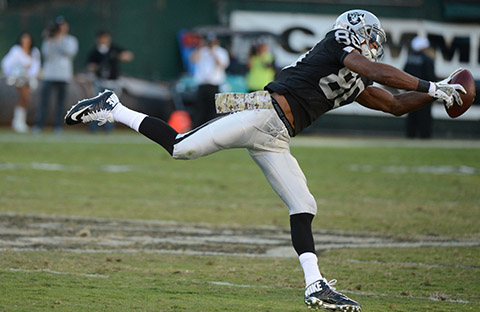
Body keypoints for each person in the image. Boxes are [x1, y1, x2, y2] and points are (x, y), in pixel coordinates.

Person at [65, 9, 465, 312]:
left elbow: (394, 105)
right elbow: (373, 69)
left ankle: (315, 286)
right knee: (181, 147)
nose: (373, 44)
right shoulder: (339, 50)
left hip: (277, 137)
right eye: (370, 37)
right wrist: (433, 84)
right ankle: (113, 106)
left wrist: (437, 96)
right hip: (262, 110)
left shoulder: (356, 76)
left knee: (303, 205)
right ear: (356, 32)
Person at [34, 16, 78, 134]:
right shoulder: (49, 39)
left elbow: (70, 53)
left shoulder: (70, 40)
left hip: (63, 76)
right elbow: (46, 54)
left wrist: (59, 39)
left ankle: (58, 126)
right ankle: (39, 125)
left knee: (61, 103)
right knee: (44, 102)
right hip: (49, 75)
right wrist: (50, 38)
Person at [86, 30, 134, 132]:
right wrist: (96, 67)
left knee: (112, 107)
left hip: (113, 82)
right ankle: (94, 128)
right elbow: (89, 66)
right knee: (97, 105)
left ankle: (108, 129)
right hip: (100, 81)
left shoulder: (114, 49)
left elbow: (129, 56)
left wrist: (119, 56)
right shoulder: (95, 52)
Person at [1, 32, 41, 133]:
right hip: (18, 79)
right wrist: (15, 72)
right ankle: (18, 123)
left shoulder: (34, 51)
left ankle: (19, 122)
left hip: (29, 80)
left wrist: (30, 74)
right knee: (24, 97)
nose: (26, 41)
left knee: (26, 100)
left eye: (27, 39)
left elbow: (36, 66)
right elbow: (6, 63)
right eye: (24, 39)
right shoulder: (16, 50)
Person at [190, 33, 230, 127]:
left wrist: (212, 52)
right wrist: (199, 47)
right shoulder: (201, 51)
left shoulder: (221, 52)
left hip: (214, 84)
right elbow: (193, 59)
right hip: (202, 84)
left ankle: (212, 127)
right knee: (200, 109)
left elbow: (221, 64)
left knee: (213, 110)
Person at [404, 36, 437, 139]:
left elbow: (404, 73)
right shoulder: (427, 60)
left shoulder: (410, 58)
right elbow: (431, 76)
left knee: (411, 115)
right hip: (424, 92)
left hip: (410, 92)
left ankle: (411, 135)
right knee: (425, 116)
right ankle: (425, 136)